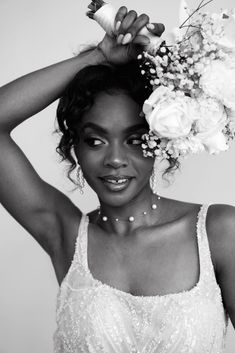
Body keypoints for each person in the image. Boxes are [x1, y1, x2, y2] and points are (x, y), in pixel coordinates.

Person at [0, 4, 234, 353]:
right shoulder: (64, 234)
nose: (114, 160)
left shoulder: (219, 231)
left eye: (135, 140)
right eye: (95, 140)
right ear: (74, 146)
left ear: (160, 140)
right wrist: (97, 56)